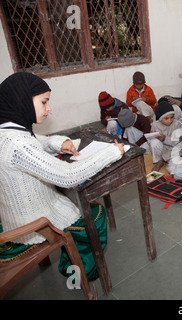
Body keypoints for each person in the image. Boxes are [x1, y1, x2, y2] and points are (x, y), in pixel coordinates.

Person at [0, 72, 125, 280]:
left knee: (71, 197)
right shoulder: (17, 144)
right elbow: (68, 176)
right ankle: (81, 271)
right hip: (35, 222)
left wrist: (59, 143)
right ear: (22, 100)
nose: (49, 108)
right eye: (44, 102)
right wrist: (112, 152)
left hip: (13, 214)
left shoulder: (8, 131)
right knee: (95, 215)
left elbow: (36, 140)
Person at [149, 100, 182, 172]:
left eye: (172, 117)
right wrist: (153, 136)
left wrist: (164, 138)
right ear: (160, 118)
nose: (170, 120)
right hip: (163, 148)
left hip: (174, 150)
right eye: (166, 118)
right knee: (154, 142)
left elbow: (177, 142)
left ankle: (167, 160)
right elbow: (151, 143)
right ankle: (159, 161)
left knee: (172, 170)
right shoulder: (155, 124)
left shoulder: (177, 124)